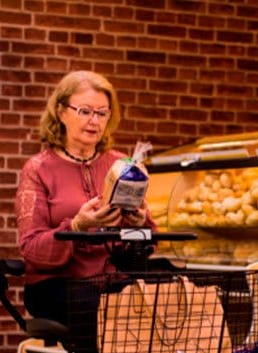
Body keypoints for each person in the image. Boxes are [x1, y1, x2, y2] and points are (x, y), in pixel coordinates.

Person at [15, 70, 154, 325]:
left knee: (166, 298)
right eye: (85, 111)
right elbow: (31, 248)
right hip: (57, 285)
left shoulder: (121, 164)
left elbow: (149, 241)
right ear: (61, 112)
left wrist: (139, 222)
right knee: (104, 312)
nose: (94, 121)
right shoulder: (38, 168)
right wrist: (78, 226)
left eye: (102, 113)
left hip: (113, 281)